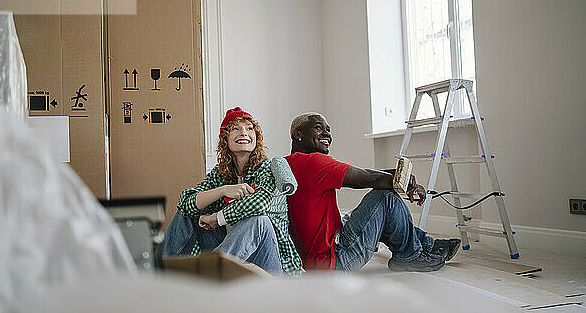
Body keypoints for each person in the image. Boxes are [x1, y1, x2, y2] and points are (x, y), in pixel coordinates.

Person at [285, 112, 460, 272]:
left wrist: (400, 177)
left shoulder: (287, 165)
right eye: (318, 128)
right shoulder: (314, 162)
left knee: (361, 215)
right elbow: (370, 178)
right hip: (335, 262)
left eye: (328, 130)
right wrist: (405, 182)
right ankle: (410, 255)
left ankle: (427, 245)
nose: (327, 134)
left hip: (312, 262)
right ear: (298, 134)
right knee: (384, 198)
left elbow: (366, 173)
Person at [162, 107, 304, 276]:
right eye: (236, 128)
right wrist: (223, 190)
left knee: (259, 221)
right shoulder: (220, 174)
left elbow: (259, 204)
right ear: (225, 139)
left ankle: (209, 273)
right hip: (233, 261)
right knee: (189, 213)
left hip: (270, 264)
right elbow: (185, 203)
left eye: (249, 128)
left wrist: (217, 218)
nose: (244, 132)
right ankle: (159, 272)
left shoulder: (270, 167)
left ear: (256, 138)